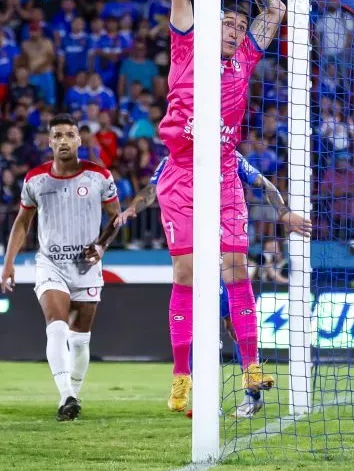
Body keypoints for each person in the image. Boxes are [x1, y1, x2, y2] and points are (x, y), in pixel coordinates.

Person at [155, 0, 285, 413]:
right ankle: (181, 378)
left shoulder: (245, 60)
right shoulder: (187, 47)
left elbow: (276, 10)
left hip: (225, 172)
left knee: (236, 268)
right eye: (226, 23)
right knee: (187, 274)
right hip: (183, 175)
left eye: (236, 25)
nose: (232, 30)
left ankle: (251, 366)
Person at [115, 152, 311, 417]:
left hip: (224, 257)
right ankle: (208, 402)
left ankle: (251, 396)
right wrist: (132, 209)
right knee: (199, 329)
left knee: (230, 326)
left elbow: (265, 184)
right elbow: (150, 190)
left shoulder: (230, 155)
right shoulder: (174, 158)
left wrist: (283, 212)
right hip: (197, 260)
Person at [0, 114, 121, 422]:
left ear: (80, 140)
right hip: (50, 264)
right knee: (56, 325)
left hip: (87, 267)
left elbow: (116, 217)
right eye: (58, 135)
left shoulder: (99, 177)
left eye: (70, 134)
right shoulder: (35, 180)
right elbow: (22, 221)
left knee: (80, 339)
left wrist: (102, 245)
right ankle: (66, 395)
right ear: (49, 141)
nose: (64, 140)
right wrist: (8, 263)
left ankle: (74, 395)